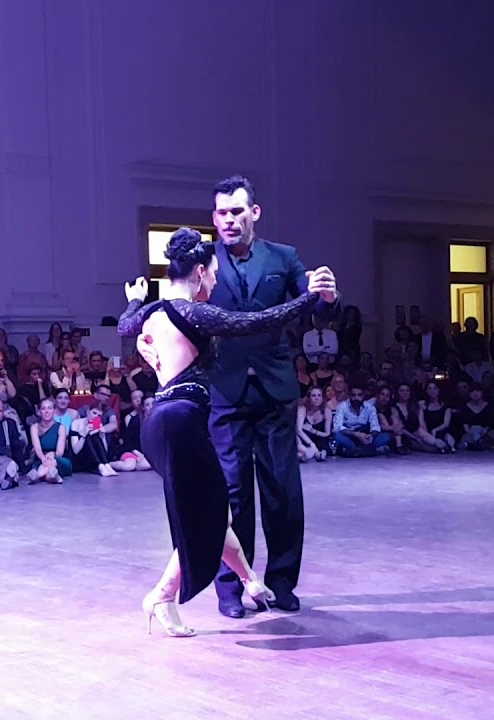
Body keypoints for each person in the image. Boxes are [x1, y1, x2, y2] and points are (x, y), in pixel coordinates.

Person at [116, 228, 333, 637]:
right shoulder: (194, 313)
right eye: (213, 273)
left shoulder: (153, 312)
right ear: (199, 272)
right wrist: (309, 298)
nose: (215, 281)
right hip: (181, 422)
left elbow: (125, 325)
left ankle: (248, 581)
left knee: (213, 513)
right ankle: (162, 596)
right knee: (207, 516)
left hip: (159, 422)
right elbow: (258, 321)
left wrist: (134, 298)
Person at [204, 176, 338, 617]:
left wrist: (326, 298)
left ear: (254, 213)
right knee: (232, 494)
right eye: (222, 212)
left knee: (282, 491)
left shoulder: (284, 257)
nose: (229, 220)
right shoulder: (204, 261)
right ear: (214, 217)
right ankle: (231, 589)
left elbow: (314, 304)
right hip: (226, 391)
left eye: (237, 211)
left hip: (275, 389)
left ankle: (282, 583)